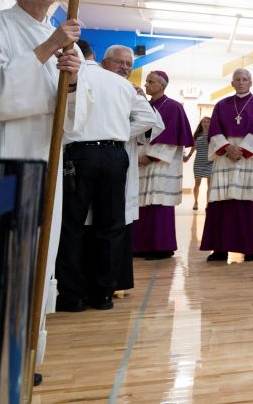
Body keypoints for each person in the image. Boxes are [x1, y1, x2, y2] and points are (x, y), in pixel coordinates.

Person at [0, 0, 89, 366]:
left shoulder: (66, 41)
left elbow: (73, 124)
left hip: (45, 170)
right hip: (2, 162)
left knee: (34, 262)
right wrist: (48, 50)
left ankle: (22, 355)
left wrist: (76, 81)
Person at [59, 42, 160, 311]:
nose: (125, 68)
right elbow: (149, 118)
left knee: (71, 226)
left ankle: (72, 296)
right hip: (114, 156)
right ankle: (103, 295)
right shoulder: (123, 85)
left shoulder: (71, 75)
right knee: (112, 226)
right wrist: (117, 132)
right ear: (101, 58)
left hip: (79, 154)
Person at [201, 69, 253, 262]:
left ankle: (250, 248)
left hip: (250, 160)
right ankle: (220, 249)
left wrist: (241, 151)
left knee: (250, 203)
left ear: (251, 83)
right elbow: (214, 131)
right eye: (238, 80)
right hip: (226, 158)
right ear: (232, 83)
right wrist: (227, 148)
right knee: (223, 203)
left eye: (245, 79)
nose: (241, 82)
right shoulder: (221, 104)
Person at [133, 70, 192, 259]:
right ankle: (140, 246)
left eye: (151, 82)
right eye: (146, 81)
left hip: (162, 164)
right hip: (141, 161)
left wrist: (150, 157)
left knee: (158, 205)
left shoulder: (174, 107)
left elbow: (173, 140)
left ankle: (161, 247)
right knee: (141, 204)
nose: (146, 85)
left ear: (162, 85)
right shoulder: (145, 105)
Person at [187, 116, 212, 210]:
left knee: (209, 185)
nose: (205, 123)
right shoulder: (197, 134)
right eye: (204, 122)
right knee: (197, 184)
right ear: (201, 124)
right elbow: (193, 147)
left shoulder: (213, 134)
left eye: (208, 122)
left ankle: (207, 204)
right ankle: (196, 202)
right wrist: (188, 157)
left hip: (210, 162)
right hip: (198, 162)